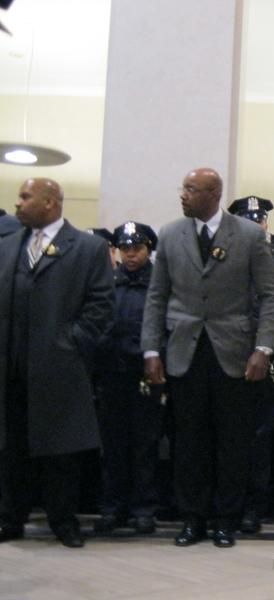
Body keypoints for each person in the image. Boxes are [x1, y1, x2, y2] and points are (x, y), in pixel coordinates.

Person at [141, 168, 274, 548]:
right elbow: (156, 296)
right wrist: (151, 349)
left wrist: (263, 348)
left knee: (232, 442)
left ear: (213, 193)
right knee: (189, 442)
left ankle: (225, 519)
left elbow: (270, 296)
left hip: (234, 354)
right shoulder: (171, 234)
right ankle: (193, 518)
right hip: (184, 352)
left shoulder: (250, 236)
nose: (182, 194)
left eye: (190, 189)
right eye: (183, 187)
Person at [0, 178, 114, 548]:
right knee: (11, 448)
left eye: (25, 197)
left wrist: (71, 343)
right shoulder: (7, 246)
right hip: (11, 368)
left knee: (60, 453)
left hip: (59, 367)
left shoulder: (87, 248)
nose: (17, 204)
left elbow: (100, 307)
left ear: (49, 203)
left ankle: (63, 521)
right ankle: (10, 517)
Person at [227, 195, 274, 533]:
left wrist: (270, 340)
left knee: (260, 441)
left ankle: (254, 508)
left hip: (266, 365)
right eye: (248, 220)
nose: (256, 226)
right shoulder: (224, 257)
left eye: (260, 220)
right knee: (228, 438)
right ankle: (227, 505)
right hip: (228, 359)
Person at [94, 222, 162, 535]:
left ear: (149, 249)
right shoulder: (108, 282)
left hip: (144, 375)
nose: (131, 254)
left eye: (137, 248)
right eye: (125, 248)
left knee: (144, 446)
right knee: (113, 445)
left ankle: (143, 508)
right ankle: (112, 507)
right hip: (112, 372)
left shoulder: (159, 285)